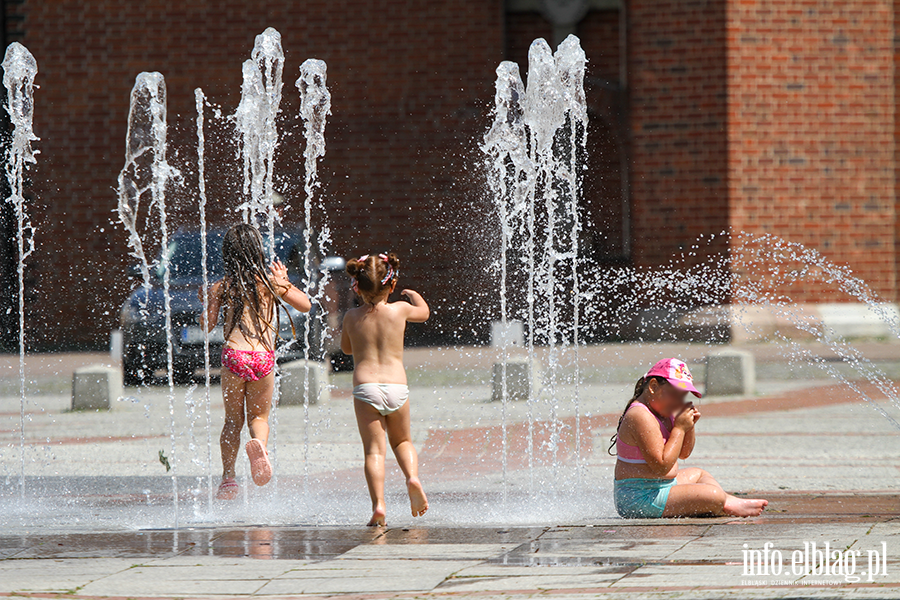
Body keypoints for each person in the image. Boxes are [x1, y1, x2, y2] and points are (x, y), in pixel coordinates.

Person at [201, 224, 311, 500]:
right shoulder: (270, 282)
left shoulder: (221, 286)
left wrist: (207, 305)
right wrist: (284, 280)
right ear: (258, 251)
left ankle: (228, 479)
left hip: (235, 356)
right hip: (262, 357)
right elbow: (305, 305)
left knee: (231, 421)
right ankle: (259, 446)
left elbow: (207, 325)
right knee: (259, 417)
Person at [610, 358, 768, 518]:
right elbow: (661, 467)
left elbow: (684, 453)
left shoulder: (664, 411)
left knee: (699, 474)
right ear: (653, 387)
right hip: (638, 498)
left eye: (683, 396)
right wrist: (679, 428)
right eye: (674, 395)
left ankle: (723, 501)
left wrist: (689, 427)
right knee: (713, 494)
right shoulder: (640, 415)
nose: (679, 402)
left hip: (661, 487)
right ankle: (721, 502)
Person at [340, 252, 430, 526]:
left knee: (374, 452)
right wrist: (414, 296)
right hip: (396, 386)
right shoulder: (400, 310)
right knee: (403, 441)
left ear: (358, 286)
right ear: (391, 286)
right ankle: (412, 477)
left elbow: (345, 349)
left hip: (366, 388)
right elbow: (424, 314)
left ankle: (379, 505)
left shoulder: (351, 317)